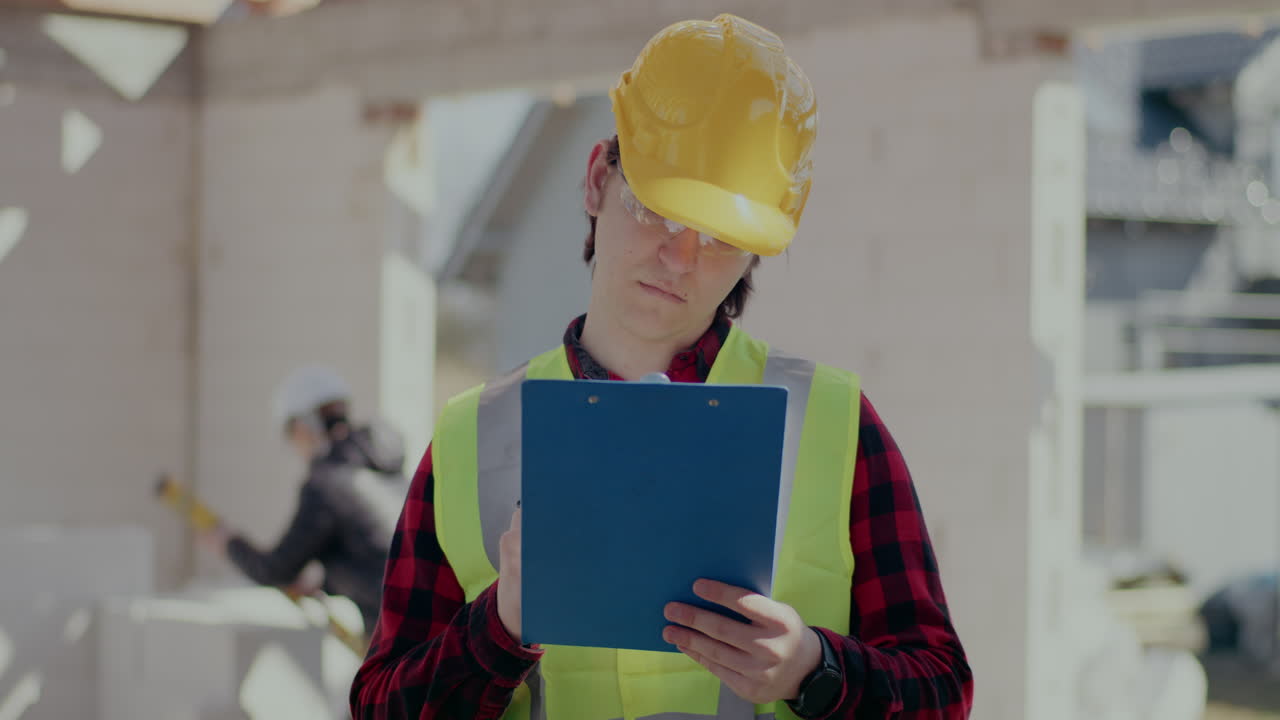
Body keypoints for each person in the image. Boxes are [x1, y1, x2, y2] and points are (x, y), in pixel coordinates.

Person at [351, 13, 973, 719]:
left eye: (718, 236)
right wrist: (499, 628)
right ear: (596, 180)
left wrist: (815, 669)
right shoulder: (472, 437)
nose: (679, 257)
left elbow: (941, 694)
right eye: (654, 209)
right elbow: (380, 709)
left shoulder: (834, 423)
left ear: (751, 251)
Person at [198, 364, 409, 635]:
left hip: (399, 641)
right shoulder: (381, 465)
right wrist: (327, 583)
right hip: (433, 623)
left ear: (300, 427)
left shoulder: (326, 483)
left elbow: (276, 569)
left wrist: (227, 543)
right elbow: (372, 551)